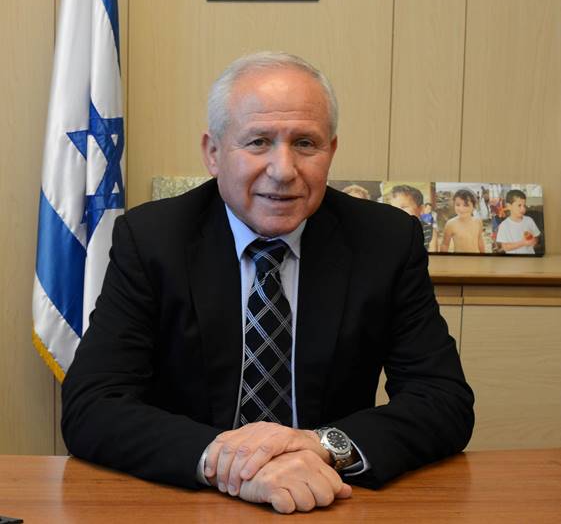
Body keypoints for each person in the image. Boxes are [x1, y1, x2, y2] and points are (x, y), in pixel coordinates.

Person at [61, 52, 474, 514]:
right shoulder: (153, 239)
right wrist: (227, 462)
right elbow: (92, 405)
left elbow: (442, 400)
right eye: (258, 142)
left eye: (305, 143)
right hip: (188, 505)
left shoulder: (385, 240)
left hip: (329, 497)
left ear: (331, 151)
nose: (283, 169)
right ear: (213, 152)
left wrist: (320, 445)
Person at [389, 185, 438, 252]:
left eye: (403, 207)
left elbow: (432, 256)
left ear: (421, 209)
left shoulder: (429, 231)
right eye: (393, 208)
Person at [440, 189, 485, 253]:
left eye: (466, 205)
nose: (461, 209)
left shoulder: (478, 222)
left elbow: (480, 240)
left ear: (473, 206)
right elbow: (445, 244)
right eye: (458, 205)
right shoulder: (450, 224)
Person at [496, 189, 541, 254]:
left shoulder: (529, 220)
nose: (523, 209)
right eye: (519, 205)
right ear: (509, 206)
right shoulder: (504, 225)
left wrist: (534, 241)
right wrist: (523, 243)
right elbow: (505, 247)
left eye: (524, 205)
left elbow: (536, 237)